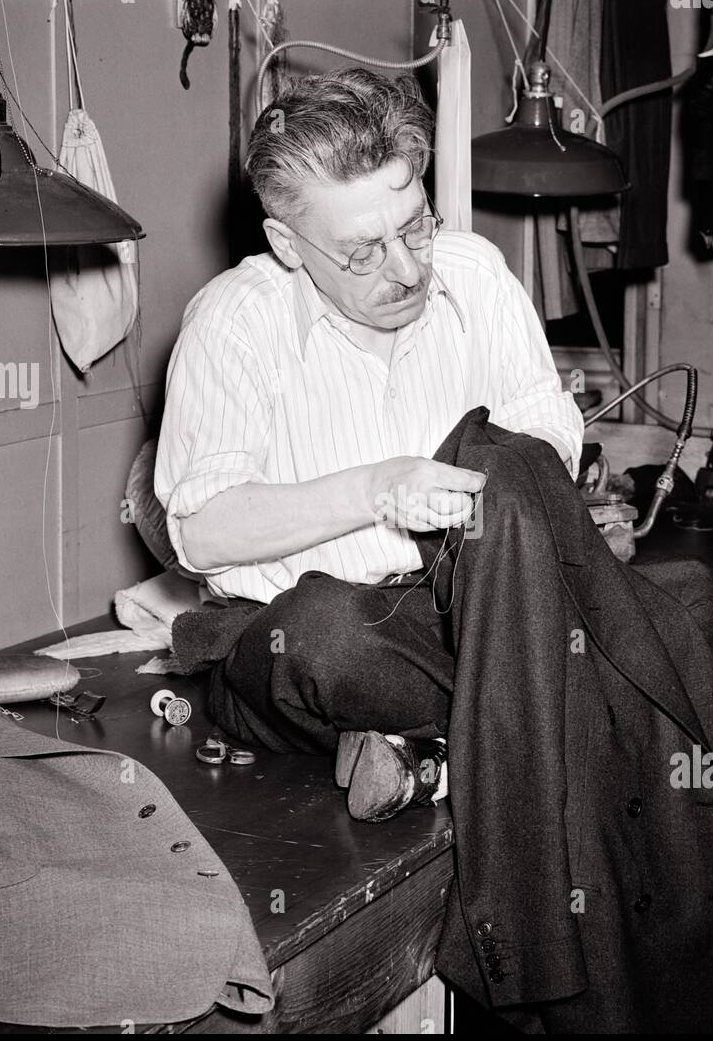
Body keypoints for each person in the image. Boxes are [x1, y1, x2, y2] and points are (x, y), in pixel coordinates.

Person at [155, 67, 584, 822]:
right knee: (328, 638)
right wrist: (377, 487)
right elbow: (202, 532)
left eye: (415, 225)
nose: (410, 268)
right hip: (304, 640)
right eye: (363, 252)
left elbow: (548, 421)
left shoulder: (475, 274)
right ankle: (532, 724)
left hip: (461, 618)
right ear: (287, 244)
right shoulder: (233, 324)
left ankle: (431, 755)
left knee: (686, 612)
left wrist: (512, 472)